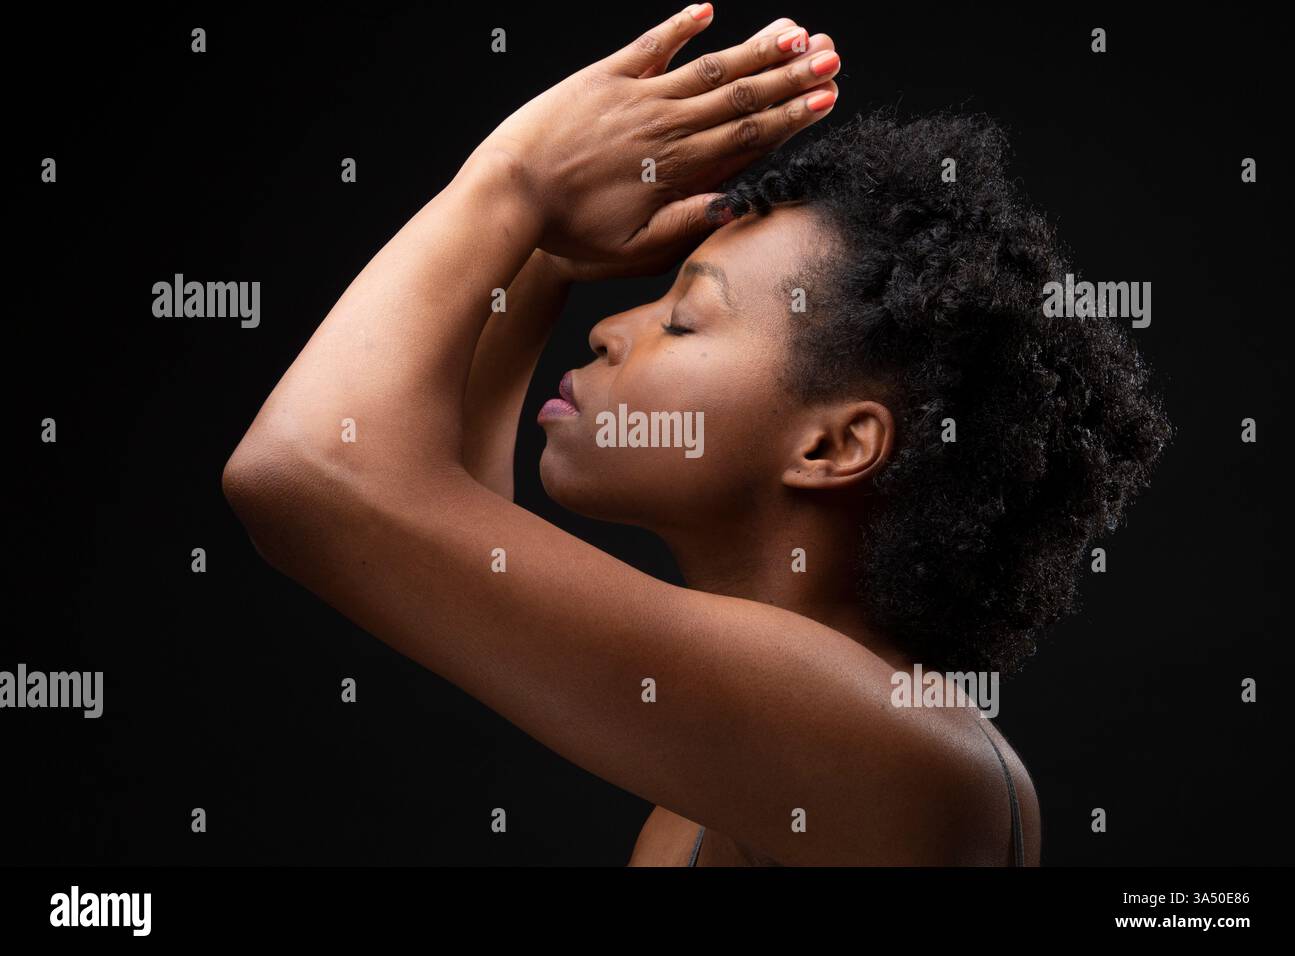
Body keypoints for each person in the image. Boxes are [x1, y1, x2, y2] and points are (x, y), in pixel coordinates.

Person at [222, 5, 1170, 866]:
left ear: (833, 448)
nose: (608, 326)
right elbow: (428, 525)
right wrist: (546, 262)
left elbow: (307, 474)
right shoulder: (749, 776)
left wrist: (512, 181)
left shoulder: (887, 741)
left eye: (683, 321)